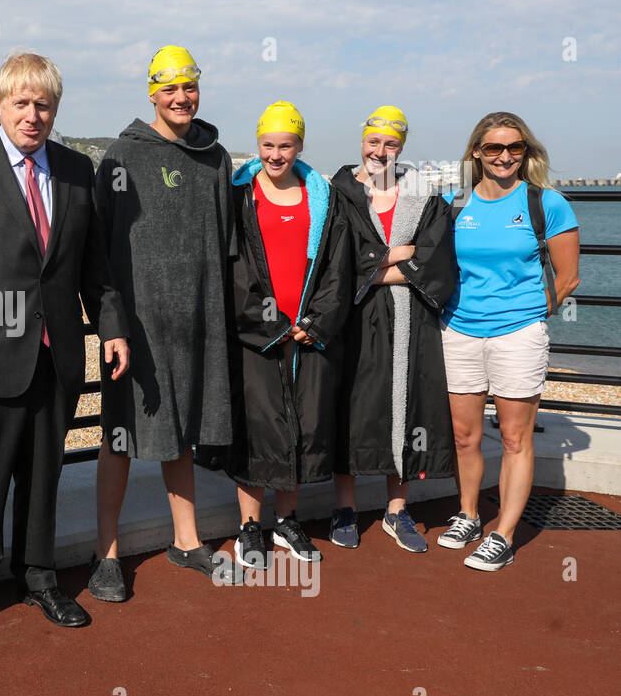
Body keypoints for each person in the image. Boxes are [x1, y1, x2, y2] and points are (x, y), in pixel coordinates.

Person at [0, 52, 130, 645]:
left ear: (55, 109)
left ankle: (40, 578)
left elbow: (94, 265)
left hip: (57, 352)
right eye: (22, 103)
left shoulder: (75, 169)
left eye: (44, 105)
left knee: (44, 474)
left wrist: (110, 326)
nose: (33, 115)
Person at [90, 46, 238, 600]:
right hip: (135, 330)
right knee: (119, 436)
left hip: (200, 321)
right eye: (170, 89)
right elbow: (99, 253)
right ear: (152, 93)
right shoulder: (122, 156)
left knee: (181, 433)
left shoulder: (216, 157)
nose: (181, 99)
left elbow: (228, 248)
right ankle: (105, 553)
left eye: (190, 88)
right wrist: (111, 324)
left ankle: (187, 540)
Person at [439, 112, 580, 570]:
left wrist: (530, 315)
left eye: (514, 148)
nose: (504, 156)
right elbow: (432, 262)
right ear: (476, 152)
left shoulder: (547, 203)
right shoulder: (453, 202)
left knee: (516, 438)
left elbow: (568, 277)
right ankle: (467, 514)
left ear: (526, 152)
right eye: (494, 148)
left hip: (518, 336)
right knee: (465, 436)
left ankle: (502, 533)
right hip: (458, 332)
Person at [227, 101, 352, 568]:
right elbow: (232, 267)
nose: (276, 155)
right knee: (256, 427)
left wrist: (316, 322)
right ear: (257, 145)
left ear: (299, 146)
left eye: (286, 145)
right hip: (256, 334)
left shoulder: (322, 196)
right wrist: (268, 325)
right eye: (267, 145)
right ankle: (249, 526)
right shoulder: (239, 195)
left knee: (300, 423)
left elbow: (337, 267)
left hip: (306, 331)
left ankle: (286, 520)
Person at [330, 107, 457, 552]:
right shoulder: (338, 192)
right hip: (352, 317)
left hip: (410, 317)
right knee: (350, 401)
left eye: (390, 144)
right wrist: (393, 254)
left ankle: (397, 509)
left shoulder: (424, 195)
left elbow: (436, 258)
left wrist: (375, 262)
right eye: (373, 142)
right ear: (361, 141)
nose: (380, 152)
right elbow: (334, 261)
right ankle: (344, 507)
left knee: (406, 403)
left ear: (401, 147)